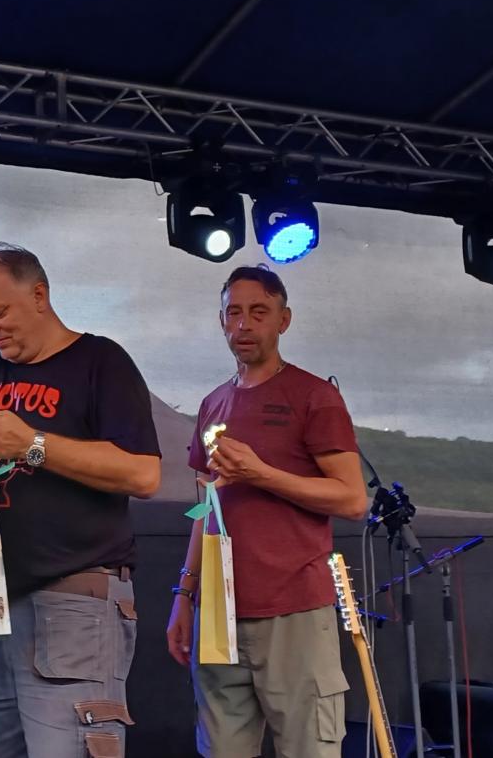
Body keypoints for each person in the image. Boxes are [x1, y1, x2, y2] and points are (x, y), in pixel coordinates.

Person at [0, 243, 160, 758]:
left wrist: (32, 445)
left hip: (74, 600)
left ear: (39, 295)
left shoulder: (100, 362)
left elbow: (144, 473)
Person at [166, 265, 367, 758]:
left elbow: (353, 499)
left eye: (259, 312)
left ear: (284, 320)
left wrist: (262, 474)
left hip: (294, 608)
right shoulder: (213, 403)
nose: (244, 324)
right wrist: (185, 594)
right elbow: (206, 506)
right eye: (233, 312)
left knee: (309, 748)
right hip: (219, 613)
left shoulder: (314, 396)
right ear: (221, 321)